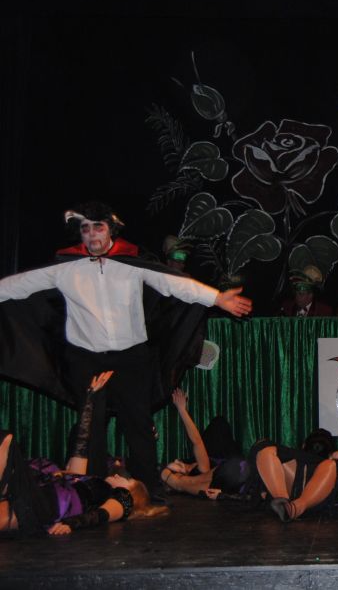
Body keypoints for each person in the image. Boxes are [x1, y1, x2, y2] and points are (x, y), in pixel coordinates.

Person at [0, 202, 252, 498]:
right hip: (86, 358)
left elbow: (173, 284)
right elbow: (19, 284)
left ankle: (148, 490)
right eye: (85, 228)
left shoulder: (131, 264)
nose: (91, 234)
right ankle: (92, 491)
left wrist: (217, 298)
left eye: (98, 227)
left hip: (130, 357)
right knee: (91, 425)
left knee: (138, 424)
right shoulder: (65, 268)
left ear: (111, 230)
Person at [1, 371, 167, 537]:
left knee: (7, 440)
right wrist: (90, 399)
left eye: (128, 479)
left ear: (132, 492)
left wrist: (70, 524)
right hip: (38, 493)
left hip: (48, 505)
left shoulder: (123, 498)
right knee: (6, 440)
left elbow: (101, 515)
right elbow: (81, 448)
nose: (119, 475)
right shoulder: (89, 480)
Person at [159, 388, 249, 500]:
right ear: (180, 473)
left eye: (173, 463)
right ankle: (177, 482)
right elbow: (197, 441)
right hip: (235, 471)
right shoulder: (200, 470)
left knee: (219, 423)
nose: (175, 461)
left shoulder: (196, 464)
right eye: (173, 469)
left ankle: (176, 482)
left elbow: (198, 442)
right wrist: (182, 410)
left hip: (233, 466)